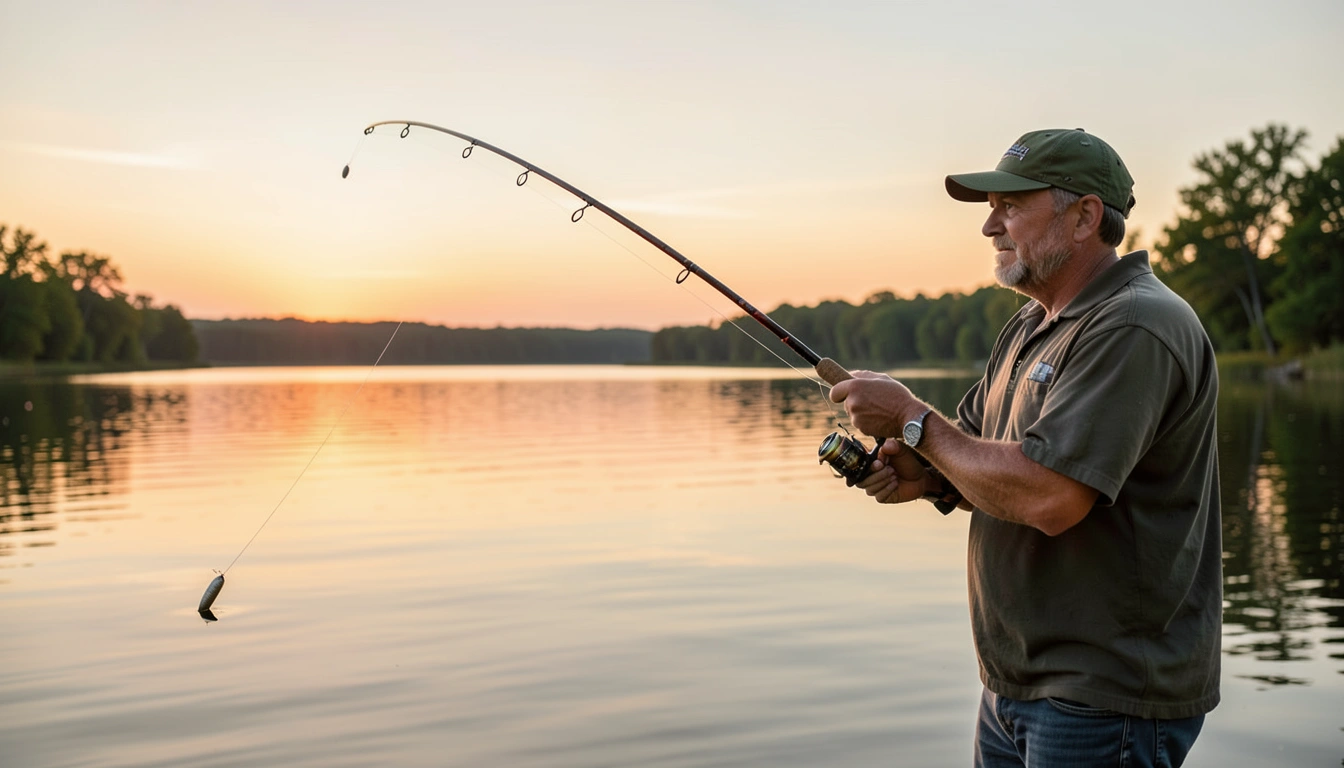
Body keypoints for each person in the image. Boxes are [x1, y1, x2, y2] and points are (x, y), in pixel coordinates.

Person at [829, 128, 1221, 767]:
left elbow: (1050, 496)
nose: (990, 226)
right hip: (1015, 686)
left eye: (1010, 206)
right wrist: (922, 474)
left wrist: (910, 416)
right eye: (991, 209)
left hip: (1102, 695)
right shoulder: (1028, 325)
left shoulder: (1135, 324)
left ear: (1084, 217)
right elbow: (969, 452)